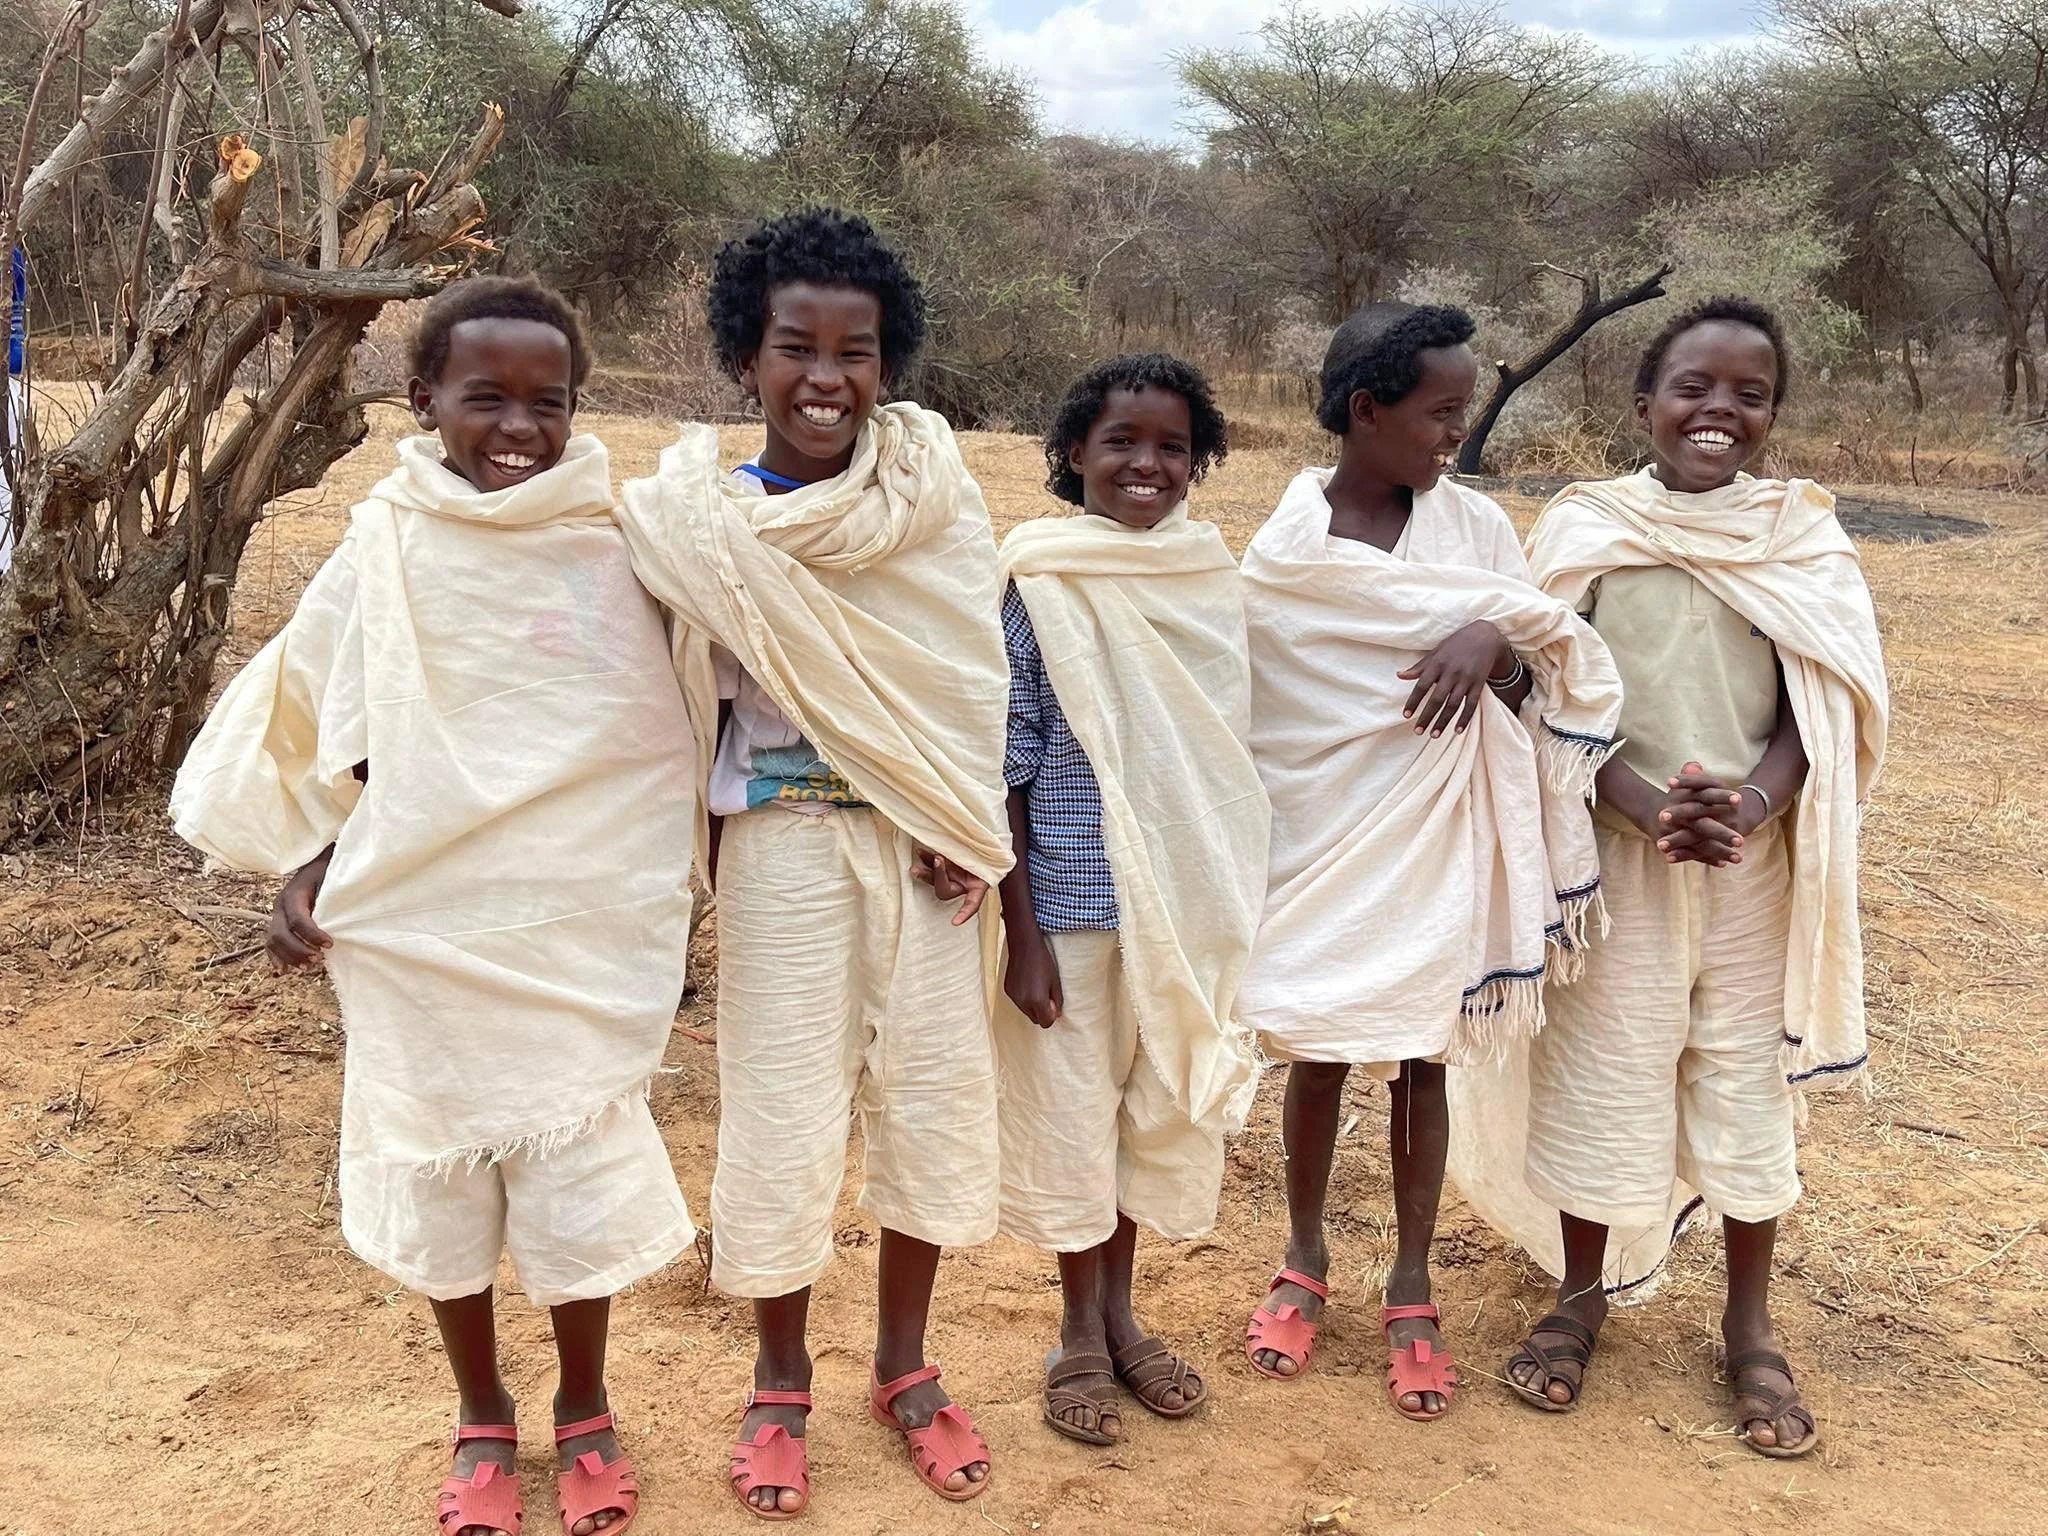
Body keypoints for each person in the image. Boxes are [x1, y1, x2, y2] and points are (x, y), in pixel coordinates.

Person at [171, 276, 698, 1536]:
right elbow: (318, 720)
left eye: (546, 402)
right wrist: (308, 865)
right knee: (440, 1173)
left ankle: (584, 1406)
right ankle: (478, 1414)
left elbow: (658, 728)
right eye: (485, 398)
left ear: (575, 409)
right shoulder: (384, 542)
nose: (517, 426)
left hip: (577, 920)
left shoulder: (620, 544)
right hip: (419, 925)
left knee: (572, 1173)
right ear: (423, 402)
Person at [614, 208, 1011, 1518]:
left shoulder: (931, 501)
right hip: (781, 850)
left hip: (925, 855)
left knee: (931, 1099)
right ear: (747, 358)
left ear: (890, 363)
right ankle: (778, 1379)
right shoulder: (701, 526)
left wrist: (969, 825)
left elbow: (967, 681)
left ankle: (905, 1366)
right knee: (783, 1115)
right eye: (796, 346)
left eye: (857, 349)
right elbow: (670, 701)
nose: (826, 376)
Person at [1485, 297, 1887, 1459]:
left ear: (1770, 416)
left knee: (1741, 1079)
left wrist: (1748, 804)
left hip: (1752, 863)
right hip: (1614, 852)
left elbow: (1826, 698)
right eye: (1692, 388)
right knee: (1602, 1067)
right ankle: (1579, 1297)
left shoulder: (1802, 539)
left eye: (1746, 394)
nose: (1717, 411)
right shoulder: (1583, 529)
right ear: (1643, 403)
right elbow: (1545, 690)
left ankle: (1747, 1322)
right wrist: (1642, 804)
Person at [1236, 303, 1621, 1423]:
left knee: (1420, 1056)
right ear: (1367, 410)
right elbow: (1269, 703)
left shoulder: (1477, 536)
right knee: (1314, 1040)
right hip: (1317, 827)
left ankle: (1410, 1286)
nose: (1456, 432)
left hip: (1438, 821)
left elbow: (1531, 680)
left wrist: (1491, 637)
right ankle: (1301, 1255)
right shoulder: (1284, 549)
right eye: (1440, 412)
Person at [995, 354, 1268, 1445]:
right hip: (1065, 905)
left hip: (1184, 906)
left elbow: (1220, 756)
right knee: (1073, 1122)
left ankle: (1121, 1315)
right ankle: (1075, 1330)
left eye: (1169, 447)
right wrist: (1020, 935)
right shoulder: (1038, 579)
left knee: (1150, 1112)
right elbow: (1002, 762)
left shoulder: (1209, 582)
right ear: (1073, 456)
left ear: (1197, 464)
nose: (1145, 464)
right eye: (1120, 443)